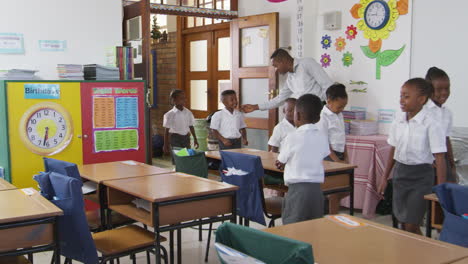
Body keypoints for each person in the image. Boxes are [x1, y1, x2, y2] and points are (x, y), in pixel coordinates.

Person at [377, 78, 447, 235]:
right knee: (403, 222)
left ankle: (420, 256)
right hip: (400, 175)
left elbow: (440, 158)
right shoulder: (398, 121)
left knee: (411, 223)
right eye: (401, 96)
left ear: (421, 99)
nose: (401, 100)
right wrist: (384, 177)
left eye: (406, 96)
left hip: (421, 177)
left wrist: (441, 189)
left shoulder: (431, 123)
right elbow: (393, 151)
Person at [275, 94, 330, 224]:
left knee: (293, 227)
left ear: (297, 115)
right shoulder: (322, 136)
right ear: (318, 118)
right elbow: (323, 154)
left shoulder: (292, 137)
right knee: (314, 226)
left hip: (297, 191)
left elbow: (280, 161)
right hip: (317, 191)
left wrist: (281, 163)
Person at [241, 48, 333, 113]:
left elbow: (328, 85)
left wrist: (328, 107)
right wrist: (255, 107)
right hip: (303, 112)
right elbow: (279, 99)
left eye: (276, 66)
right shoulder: (290, 78)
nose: (276, 70)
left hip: (319, 109)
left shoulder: (307, 63)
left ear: (284, 60)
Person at [425, 67, 457, 182]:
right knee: (429, 196)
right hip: (426, 162)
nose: (444, 93)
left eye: (447, 88)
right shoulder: (422, 110)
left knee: (446, 194)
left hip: (443, 161)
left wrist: (452, 164)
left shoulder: (447, 113)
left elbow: (446, 139)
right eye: (439, 89)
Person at [317, 83, 348, 162]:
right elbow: (324, 143)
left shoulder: (339, 115)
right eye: (339, 107)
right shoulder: (323, 117)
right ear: (329, 101)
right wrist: (336, 160)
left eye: (344, 106)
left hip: (340, 153)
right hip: (329, 155)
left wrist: (346, 156)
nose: (342, 109)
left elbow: (342, 137)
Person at [163, 89, 198, 154]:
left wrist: (195, 139)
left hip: (186, 138)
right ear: (174, 100)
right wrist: (165, 145)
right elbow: (166, 131)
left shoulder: (188, 112)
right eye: (181, 98)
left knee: (186, 157)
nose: (184, 100)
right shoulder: (169, 114)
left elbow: (191, 126)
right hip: (175, 138)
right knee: (178, 157)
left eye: (184, 98)